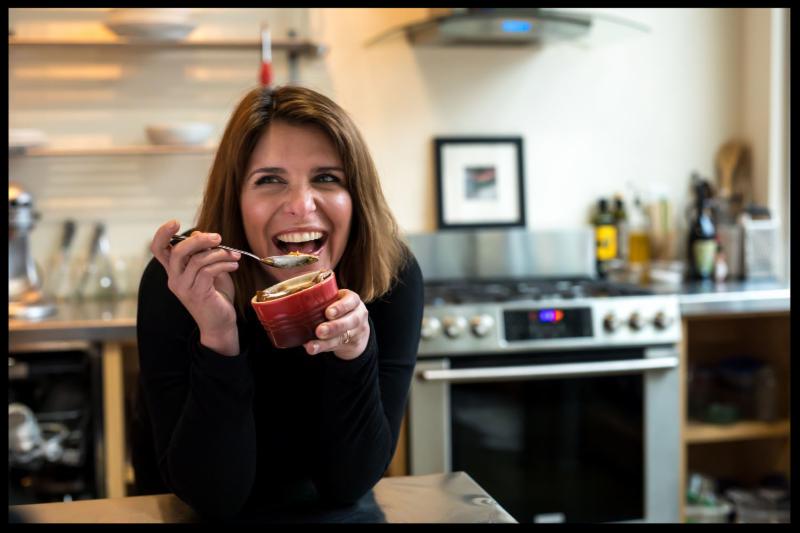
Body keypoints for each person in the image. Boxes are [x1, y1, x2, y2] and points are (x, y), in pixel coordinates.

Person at [132, 85, 424, 521]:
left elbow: (349, 485)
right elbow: (212, 497)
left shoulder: (391, 277)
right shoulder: (180, 282)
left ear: (356, 197)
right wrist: (219, 336)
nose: (301, 206)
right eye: (269, 180)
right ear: (236, 198)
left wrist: (355, 353)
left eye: (327, 178)